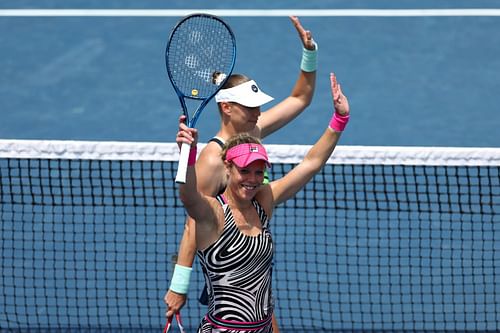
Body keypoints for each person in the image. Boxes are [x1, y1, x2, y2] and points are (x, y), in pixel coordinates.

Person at [164, 16, 318, 331]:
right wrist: (180, 283)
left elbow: (300, 98)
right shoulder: (210, 161)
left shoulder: (254, 131)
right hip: (226, 264)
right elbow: (194, 221)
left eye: (258, 106)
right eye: (250, 107)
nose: (258, 112)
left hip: (252, 260)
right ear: (227, 108)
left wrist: (309, 52)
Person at [176, 72, 350, 332]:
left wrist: (339, 119)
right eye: (245, 171)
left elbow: (311, 164)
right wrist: (187, 155)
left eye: (259, 172)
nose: (253, 179)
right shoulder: (213, 211)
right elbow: (189, 197)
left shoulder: (263, 202)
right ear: (228, 169)